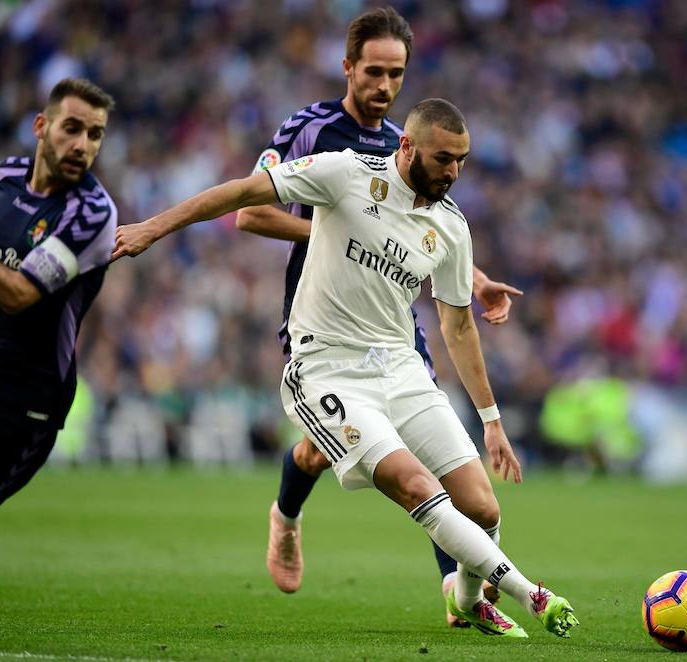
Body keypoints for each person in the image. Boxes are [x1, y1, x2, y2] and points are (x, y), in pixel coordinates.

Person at [113, 98, 579, 639]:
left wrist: (492, 420)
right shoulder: (345, 171)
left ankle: (469, 599)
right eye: (444, 159)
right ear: (407, 147)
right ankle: (534, 594)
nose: (454, 172)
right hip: (326, 367)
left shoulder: (452, 226)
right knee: (414, 484)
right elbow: (242, 195)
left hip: (400, 367)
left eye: (462, 161)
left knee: (481, 506)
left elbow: (458, 328)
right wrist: (153, 226)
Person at [234, 6, 522, 626]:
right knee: (315, 451)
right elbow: (249, 213)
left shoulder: (406, 144)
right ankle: (285, 517)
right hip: (321, 319)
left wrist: (473, 280)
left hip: (394, 328)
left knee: (429, 452)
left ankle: (455, 595)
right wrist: (335, 229)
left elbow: (424, 234)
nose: (384, 87)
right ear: (348, 67)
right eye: (373, 72)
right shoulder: (308, 130)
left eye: (396, 74)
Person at [0, 78, 117, 523]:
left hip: (19, 404)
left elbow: (17, 294)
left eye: (94, 135)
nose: (82, 145)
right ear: (40, 126)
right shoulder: (7, 176)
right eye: (71, 128)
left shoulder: (91, 213)